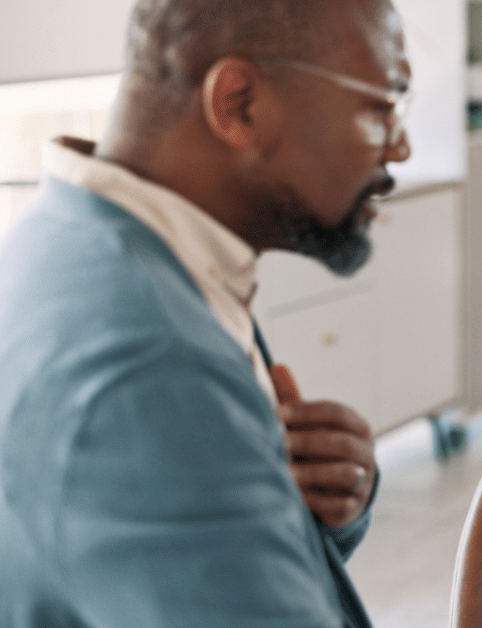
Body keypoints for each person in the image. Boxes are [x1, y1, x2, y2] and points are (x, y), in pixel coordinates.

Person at [0, 0, 411, 625]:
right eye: (381, 106)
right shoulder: (148, 359)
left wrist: (298, 511)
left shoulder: (84, 239)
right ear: (239, 104)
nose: (401, 147)